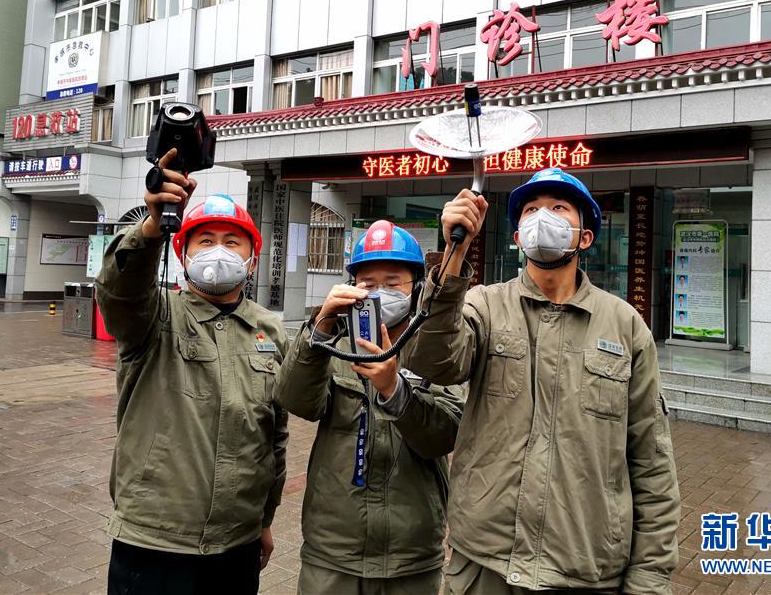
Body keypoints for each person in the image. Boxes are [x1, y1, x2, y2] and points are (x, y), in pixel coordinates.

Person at [403, 167, 680, 594]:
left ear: (585, 237)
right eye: (530, 210)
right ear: (518, 238)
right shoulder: (484, 305)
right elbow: (433, 361)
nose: (542, 217)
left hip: (584, 570)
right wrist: (454, 253)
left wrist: (648, 580)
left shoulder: (625, 326)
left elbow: (652, 462)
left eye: (558, 207)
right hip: (485, 564)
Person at [96, 149, 289, 595]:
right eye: (205, 240)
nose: (219, 250)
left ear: (252, 258)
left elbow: (274, 436)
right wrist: (150, 229)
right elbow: (120, 290)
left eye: (232, 241)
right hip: (153, 542)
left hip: (237, 543)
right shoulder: (154, 315)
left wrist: (264, 519)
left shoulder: (271, 330)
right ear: (182, 253)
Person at [275, 219, 465, 594]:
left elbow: (446, 434)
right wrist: (321, 326)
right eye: (368, 283)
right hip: (333, 550)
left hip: (410, 552)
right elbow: (296, 400)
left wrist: (395, 389)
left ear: (416, 287)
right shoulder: (335, 342)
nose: (380, 293)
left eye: (393, 283)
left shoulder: (436, 347)